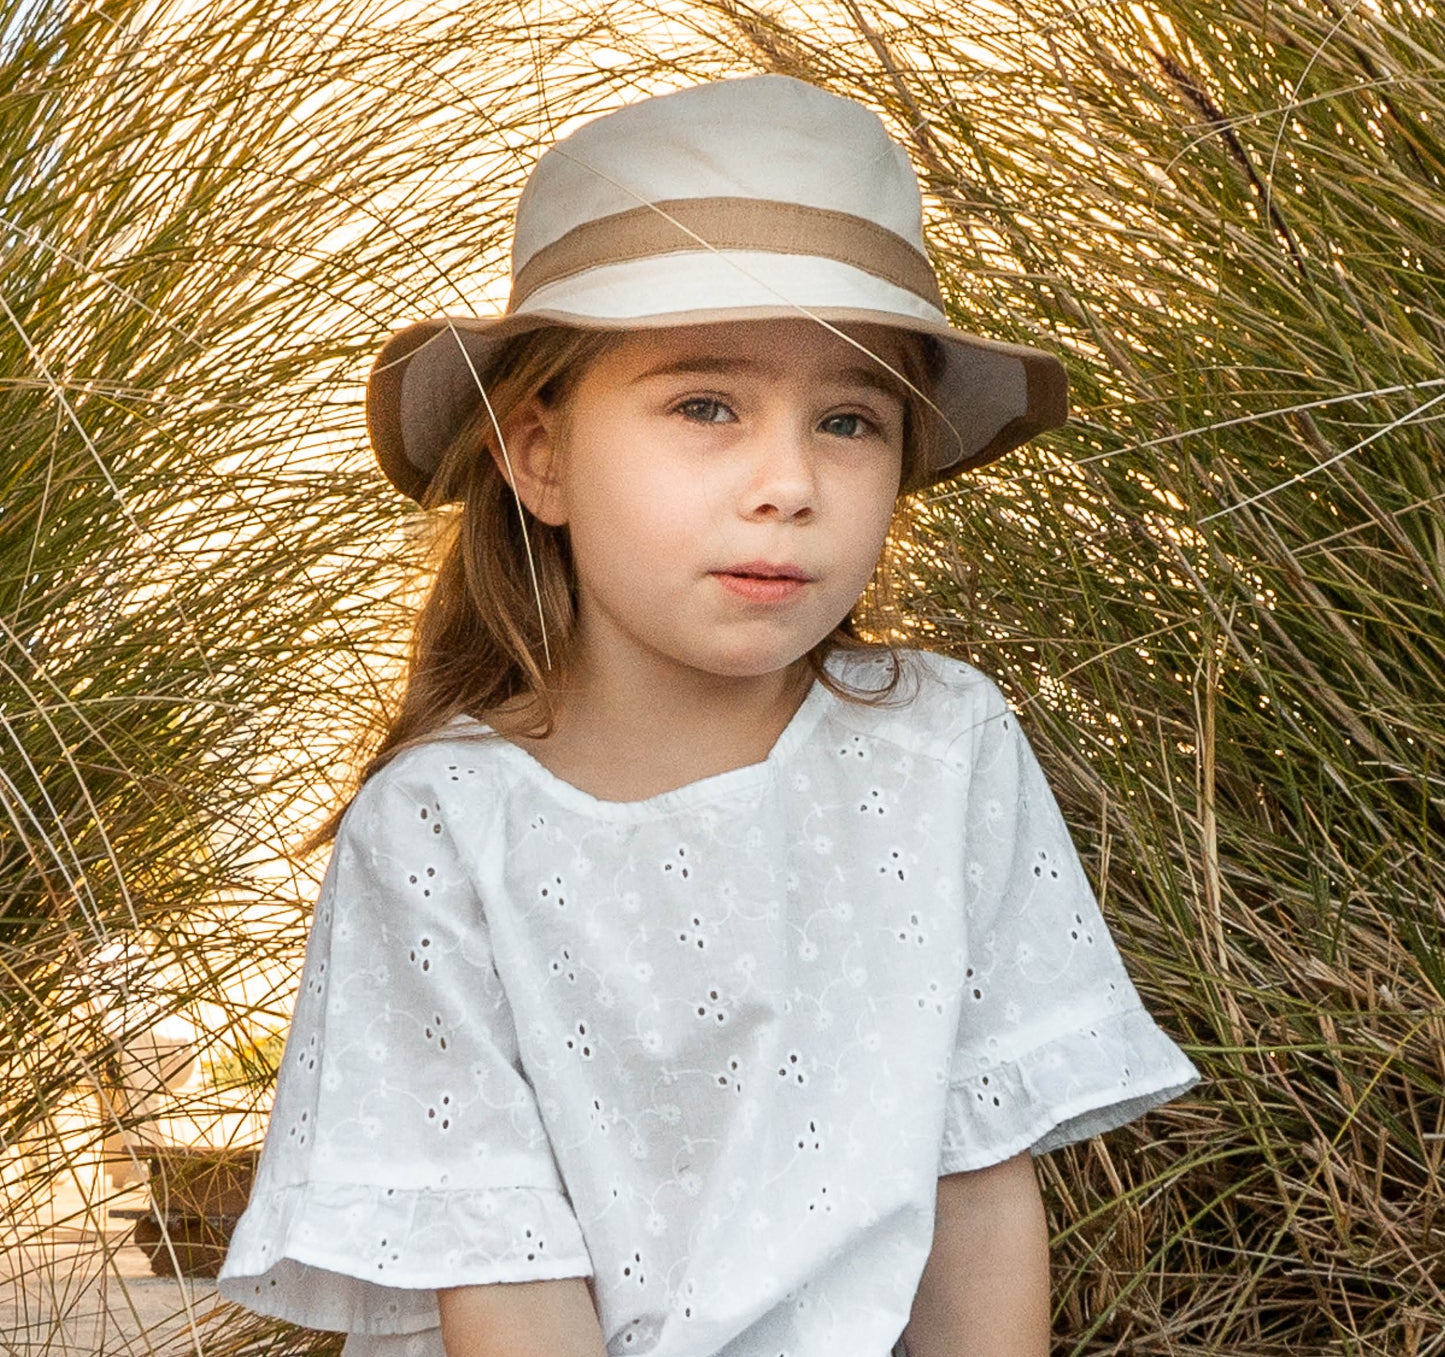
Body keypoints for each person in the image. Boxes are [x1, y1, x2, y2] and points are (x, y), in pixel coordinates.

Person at [217, 75, 1200, 1357]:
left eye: (848, 419)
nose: (787, 482)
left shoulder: (939, 743)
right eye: (704, 405)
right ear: (542, 457)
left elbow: (972, 1168)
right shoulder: (443, 823)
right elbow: (501, 1271)